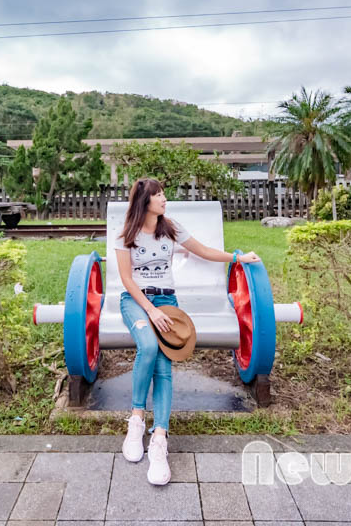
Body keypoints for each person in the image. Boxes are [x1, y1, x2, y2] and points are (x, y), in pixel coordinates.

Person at [113, 177, 261, 485]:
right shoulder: (126, 235)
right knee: (149, 348)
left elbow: (204, 250)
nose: (164, 199)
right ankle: (137, 419)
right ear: (145, 202)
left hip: (168, 301)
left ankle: (160, 440)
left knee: (165, 365)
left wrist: (238, 257)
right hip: (136, 302)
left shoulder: (171, 227)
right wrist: (150, 311)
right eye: (159, 195)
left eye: (164, 194)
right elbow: (127, 280)